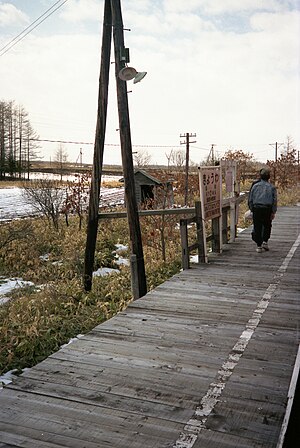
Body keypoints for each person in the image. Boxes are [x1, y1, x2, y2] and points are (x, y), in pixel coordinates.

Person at [248, 168, 277, 253]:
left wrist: (251, 208)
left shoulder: (255, 186)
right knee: (267, 225)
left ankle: (259, 246)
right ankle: (265, 241)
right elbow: (274, 200)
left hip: (257, 208)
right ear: (268, 177)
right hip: (267, 209)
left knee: (257, 226)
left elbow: (250, 198)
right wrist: (273, 211)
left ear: (260, 176)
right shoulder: (271, 187)